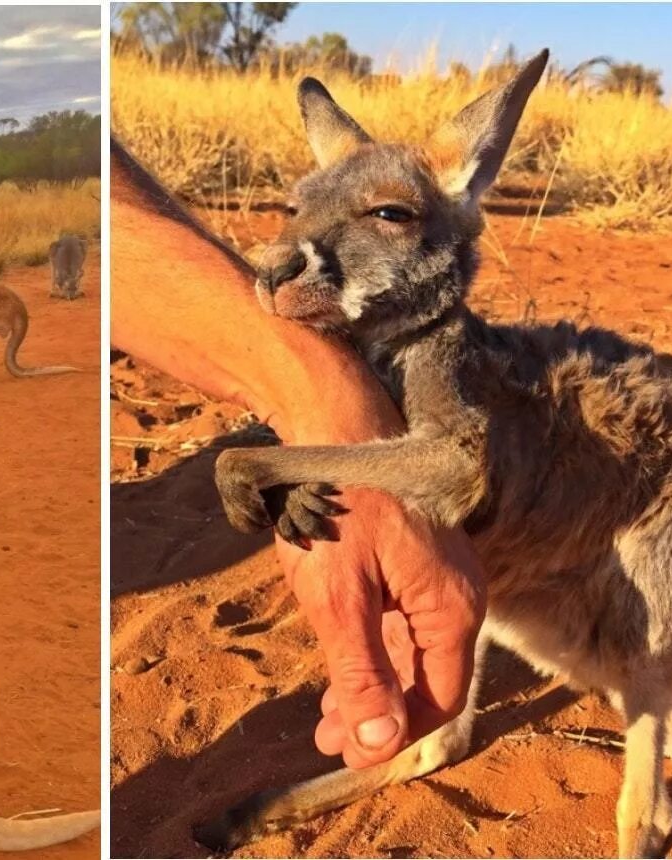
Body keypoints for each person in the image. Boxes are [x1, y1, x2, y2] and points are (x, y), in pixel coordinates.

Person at [109, 138, 485, 770]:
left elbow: (457, 465)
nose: (275, 256)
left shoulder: (441, 351)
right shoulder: (339, 324)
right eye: (297, 213)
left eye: (388, 215)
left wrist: (284, 462)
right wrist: (296, 446)